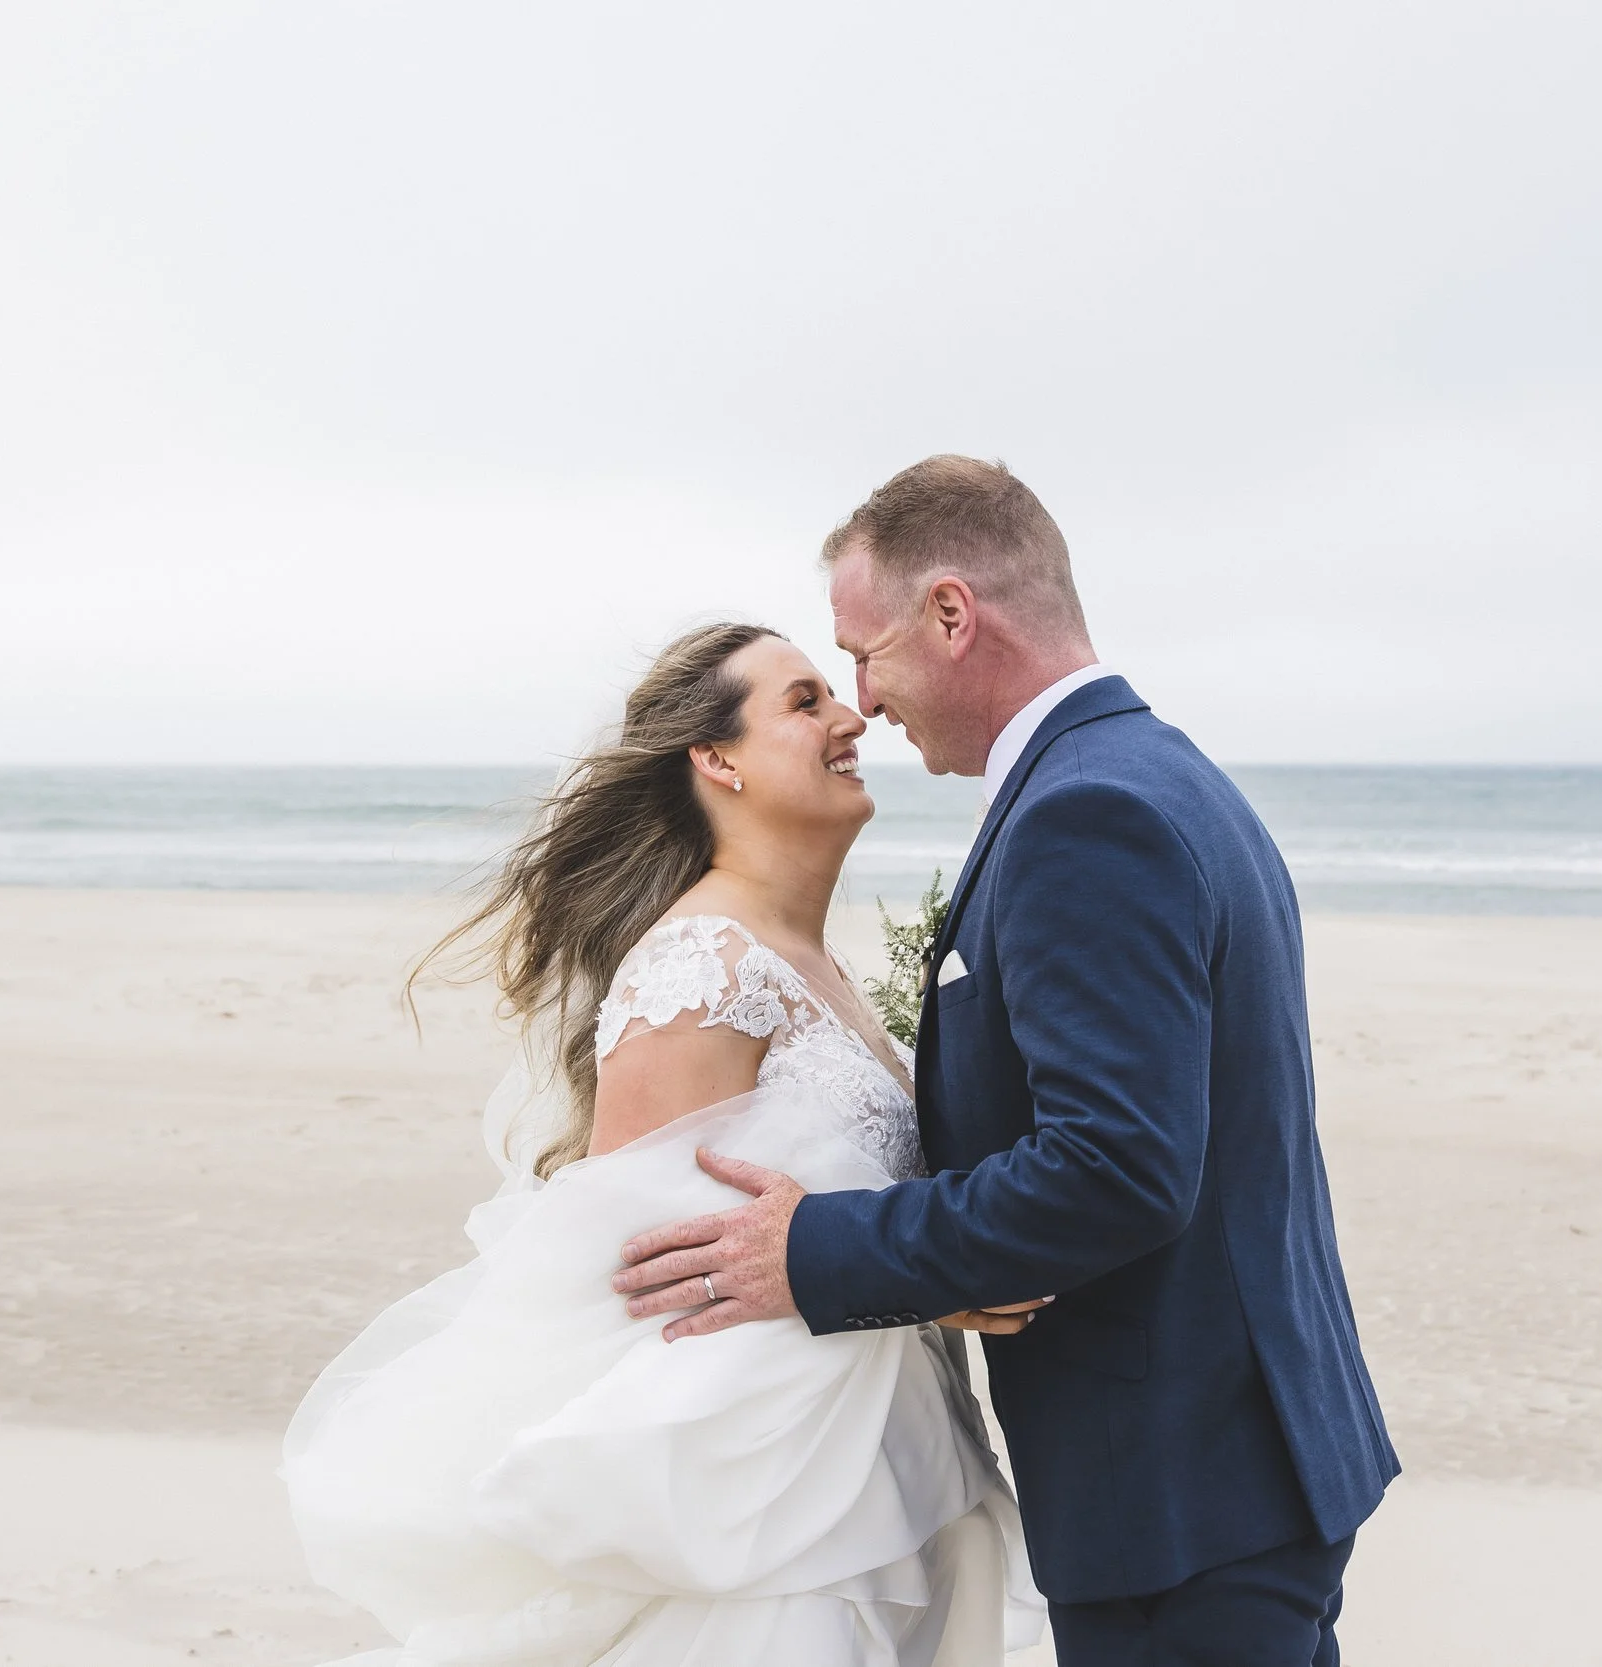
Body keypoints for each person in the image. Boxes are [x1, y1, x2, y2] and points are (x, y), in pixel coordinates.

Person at [614, 458, 1400, 1666]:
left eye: (862, 654)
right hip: (1230, 1467)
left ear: (950, 614)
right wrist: (946, 1260)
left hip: (1179, 1487)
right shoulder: (1153, 771)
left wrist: (823, 1250)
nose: (864, 703)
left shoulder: (1088, 814)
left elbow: (1118, 1165)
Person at [281, 621, 1044, 1665]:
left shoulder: (808, 961)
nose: (849, 716)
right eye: (804, 699)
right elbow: (632, 1280)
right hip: (765, 1507)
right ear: (715, 757)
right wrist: (912, 1283)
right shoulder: (703, 961)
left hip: (885, 1458)